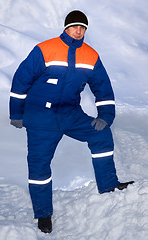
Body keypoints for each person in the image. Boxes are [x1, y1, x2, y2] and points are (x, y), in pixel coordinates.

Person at [9, 10, 134, 233]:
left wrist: (106, 116)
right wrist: (16, 112)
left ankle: (109, 186)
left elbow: (103, 88)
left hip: (70, 113)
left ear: (85, 30)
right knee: (39, 165)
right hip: (40, 116)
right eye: (74, 26)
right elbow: (21, 80)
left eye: (82, 27)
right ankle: (43, 213)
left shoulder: (91, 55)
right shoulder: (44, 49)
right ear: (65, 27)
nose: (78, 30)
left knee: (100, 134)